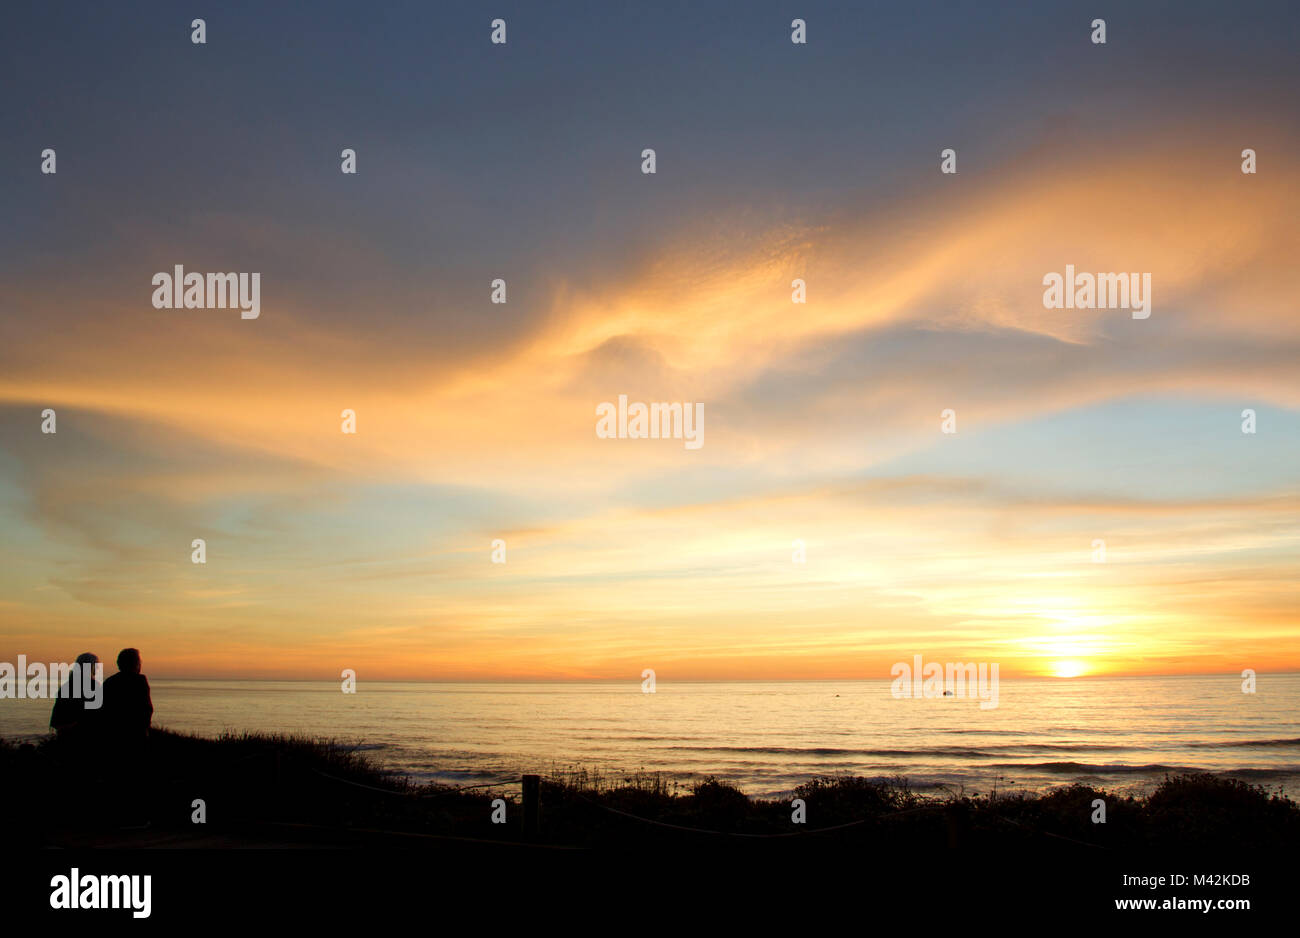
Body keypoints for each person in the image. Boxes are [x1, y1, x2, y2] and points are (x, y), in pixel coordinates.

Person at [101, 647, 154, 743]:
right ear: (136, 664)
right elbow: (146, 708)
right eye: (139, 662)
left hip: (112, 733)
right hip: (134, 733)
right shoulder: (139, 681)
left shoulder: (110, 681)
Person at [49, 652, 102, 742]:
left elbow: (56, 718)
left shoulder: (67, 686)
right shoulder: (93, 686)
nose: (97, 669)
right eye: (96, 665)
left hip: (64, 735)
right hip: (83, 734)